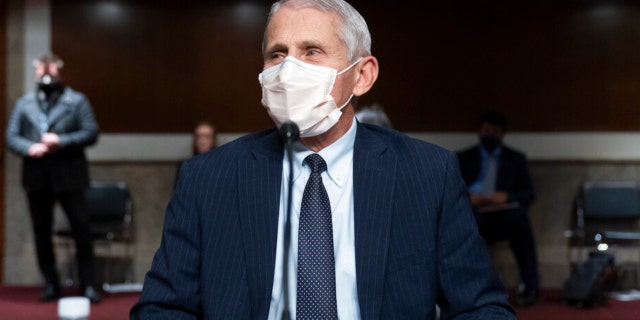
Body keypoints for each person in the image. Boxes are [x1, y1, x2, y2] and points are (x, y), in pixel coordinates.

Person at [131, 1, 515, 318]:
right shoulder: (208, 178)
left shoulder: (427, 173)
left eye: (311, 51)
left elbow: (480, 307)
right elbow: (163, 308)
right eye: (277, 54)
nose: (288, 69)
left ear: (362, 75)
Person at [5, 53, 101, 303]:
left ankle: (88, 285)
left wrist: (62, 141)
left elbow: (91, 132)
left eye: (51, 71)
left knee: (82, 231)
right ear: (36, 73)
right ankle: (51, 284)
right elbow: (11, 136)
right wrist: (29, 148)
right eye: (42, 71)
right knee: (41, 233)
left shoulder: (77, 101)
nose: (46, 75)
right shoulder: (24, 103)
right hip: (37, 177)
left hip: (69, 176)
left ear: (60, 72)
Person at [457, 110, 540, 307]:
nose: (489, 135)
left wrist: (506, 197)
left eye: (494, 131)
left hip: (504, 215)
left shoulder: (515, 159)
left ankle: (530, 288)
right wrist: (469, 197)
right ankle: (466, 290)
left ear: (502, 134)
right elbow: (450, 191)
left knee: (519, 220)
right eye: (485, 130)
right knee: (463, 224)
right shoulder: (463, 158)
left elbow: (528, 194)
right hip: (475, 215)